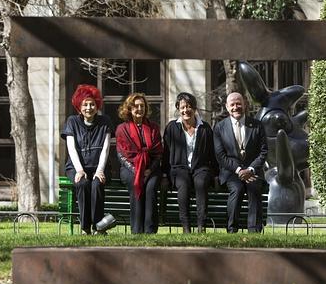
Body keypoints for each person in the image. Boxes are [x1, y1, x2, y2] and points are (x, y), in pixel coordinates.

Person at [61, 84, 114, 235]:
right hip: (77, 167)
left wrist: (100, 170)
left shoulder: (105, 121)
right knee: (83, 184)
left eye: (92, 104)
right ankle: (85, 228)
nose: (89, 107)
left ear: (97, 105)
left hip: (99, 167)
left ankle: (99, 227)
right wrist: (79, 170)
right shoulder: (72, 121)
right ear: (79, 106)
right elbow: (71, 148)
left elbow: (105, 148)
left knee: (97, 184)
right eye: (85, 104)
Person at [162, 92, 217, 233]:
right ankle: (186, 227)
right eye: (182, 107)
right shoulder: (171, 128)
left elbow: (212, 153)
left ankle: (201, 225)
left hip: (201, 167)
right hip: (179, 168)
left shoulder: (205, 128)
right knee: (184, 185)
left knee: (200, 183)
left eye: (189, 107)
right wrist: (164, 174)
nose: (186, 110)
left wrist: (215, 173)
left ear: (194, 108)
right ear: (178, 109)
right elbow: (166, 153)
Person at [213, 92, 268, 233]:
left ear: (245, 105)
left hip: (252, 171)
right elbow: (220, 156)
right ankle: (232, 229)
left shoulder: (257, 125)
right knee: (237, 190)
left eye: (238, 103)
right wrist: (238, 170)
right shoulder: (220, 127)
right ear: (226, 107)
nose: (235, 107)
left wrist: (250, 169)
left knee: (254, 188)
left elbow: (263, 152)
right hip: (231, 172)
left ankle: (254, 230)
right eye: (232, 104)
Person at [115, 93, 163, 234]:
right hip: (129, 168)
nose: (139, 109)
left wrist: (149, 170)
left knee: (150, 188)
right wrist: (136, 170)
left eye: (142, 106)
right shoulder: (122, 129)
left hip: (151, 168)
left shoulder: (153, 128)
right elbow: (121, 154)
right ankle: (137, 230)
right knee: (136, 185)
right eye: (136, 106)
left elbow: (158, 153)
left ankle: (150, 230)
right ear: (129, 109)